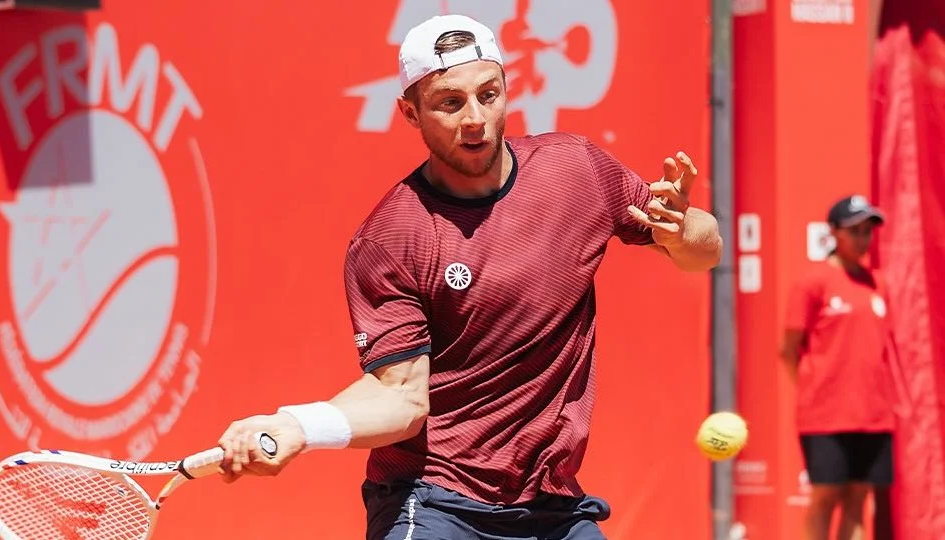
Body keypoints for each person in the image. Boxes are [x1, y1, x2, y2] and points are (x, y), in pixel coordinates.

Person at [214, 14, 722, 539]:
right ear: (410, 113)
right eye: (451, 103)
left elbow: (704, 253)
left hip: (553, 507)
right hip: (435, 500)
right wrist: (299, 425)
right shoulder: (391, 239)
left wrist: (681, 230)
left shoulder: (576, 169)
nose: (476, 118)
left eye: (488, 94)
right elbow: (401, 399)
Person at [780, 195, 897, 540]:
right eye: (854, 231)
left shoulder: (878, 283)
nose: (863, 239)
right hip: (825, 415)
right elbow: (788, 350)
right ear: (833, 232)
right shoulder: (813, 282)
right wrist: (815, 388)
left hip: (874, 414)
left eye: (867, 231)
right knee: (824, 498)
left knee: (857, 501)